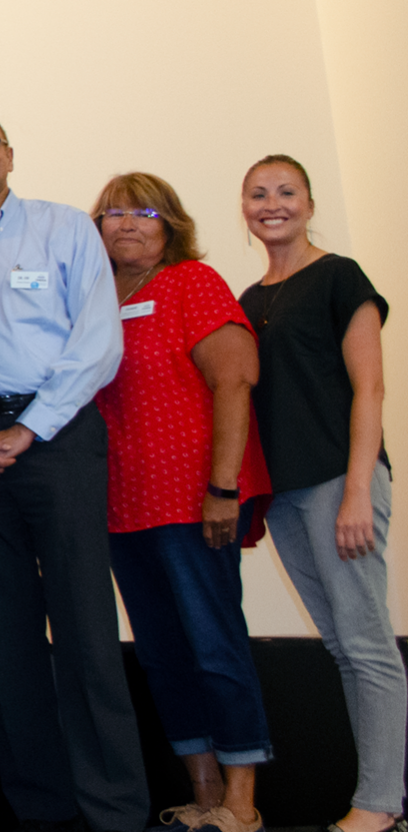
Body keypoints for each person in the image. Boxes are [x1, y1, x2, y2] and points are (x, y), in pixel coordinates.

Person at [0, 109, 140, 832]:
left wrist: (28, 428)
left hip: (59, 440)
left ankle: (113, 812)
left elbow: (98, 341)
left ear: (8, 154)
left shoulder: (66, 227)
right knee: (5, 644)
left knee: (87, 633)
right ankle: (40, 813)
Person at [87, 172, 275, 832]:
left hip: (195, 504)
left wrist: (224, 488)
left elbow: (235, 379)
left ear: (171, 224)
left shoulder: (193, 282)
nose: (128, 224)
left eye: (145, 212)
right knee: (164, 653)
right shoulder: (93, 301)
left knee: (215, 646)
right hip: (121, 509)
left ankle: (243, 802)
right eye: (113, 213)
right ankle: (203, 797)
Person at [236, 155, 403, 832]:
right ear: (243, 207)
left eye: (285, 192)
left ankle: (380, 804)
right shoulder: (249, 300)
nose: (272, 204)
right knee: (341, 645)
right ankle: (375, 799)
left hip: (342, 482)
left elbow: (371, 388)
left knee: (366, 645)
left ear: (308, 202)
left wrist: (359, 490)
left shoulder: (339, 277)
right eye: (257, 194)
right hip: (288, 496)